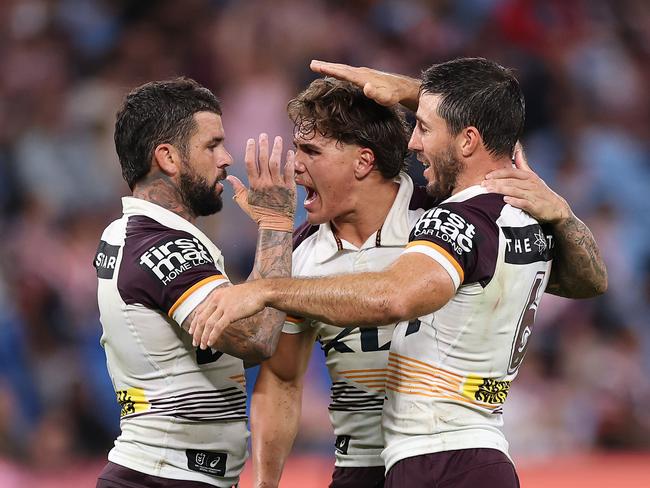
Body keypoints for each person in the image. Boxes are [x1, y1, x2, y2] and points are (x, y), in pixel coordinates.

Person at [203, 64, 608, 487]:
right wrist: (265, 485)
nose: (294, 167)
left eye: (311, 151)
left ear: (363, 161)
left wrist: (415, 93)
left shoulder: (437, 215)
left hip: (438, 455)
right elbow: (282, 378)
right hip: (366, 467)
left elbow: (486, 136)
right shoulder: (301, 253)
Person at [93, 77, 296, 488]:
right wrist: (275, 225)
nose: (227, 157)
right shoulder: (161, 246)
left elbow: (236, 344)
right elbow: (256, 339)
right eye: (212, 145)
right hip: (163, 475)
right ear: (167, 157)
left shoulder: (134, 233)